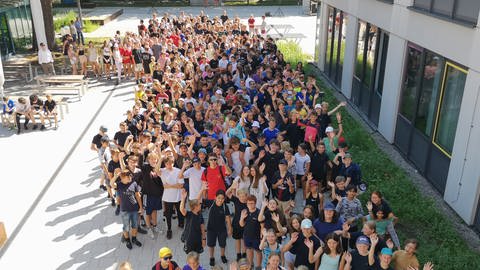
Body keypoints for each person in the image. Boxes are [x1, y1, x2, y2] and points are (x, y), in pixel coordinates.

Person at [113, 170, 143, 249]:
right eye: (127, 177)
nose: (130, 178)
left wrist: (141, 207)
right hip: (125, 210)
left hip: (135, 209)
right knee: (126, 227)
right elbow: (111, 184)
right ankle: (127, 240)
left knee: (135, 225)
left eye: (130, 176)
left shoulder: (134, 183)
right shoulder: (119, 185)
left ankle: (134, 239)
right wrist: (116, 176)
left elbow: (137, 195)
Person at [159, 155, 184, 239]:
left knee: (180, 212)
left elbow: (181, 185)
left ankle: (181, 224)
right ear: (165, 164)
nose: (169, 164)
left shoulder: (178, 171)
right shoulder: (162, 171)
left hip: (178, 197)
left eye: (171, 163)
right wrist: (160, 158)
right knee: (168, 215)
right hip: (167, 198)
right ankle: (169, 230)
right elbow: (156, 169)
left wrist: (169, 186)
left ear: (173, 162)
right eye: (167, 163)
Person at [206, 189, 232, 266]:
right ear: (215, 197)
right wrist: (202, 190)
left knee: (222, 244)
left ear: (224, 199)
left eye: (222, 198)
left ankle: (222, 256)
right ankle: (211, 257)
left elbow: (228, 218)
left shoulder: (225, 206)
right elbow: (198, 201)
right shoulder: (210, 203)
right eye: (219, 198)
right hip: (211, 229)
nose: (220, 200)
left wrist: (230, 228)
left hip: (222, 230)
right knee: (211, 245)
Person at [180, 186, 206, 254]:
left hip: (197, 239)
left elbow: (202, 227)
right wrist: (183, 199)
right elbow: (182, 209)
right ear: (195, 207)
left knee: (197, 255)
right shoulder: (189, 214)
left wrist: (204, 239)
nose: (200, 205)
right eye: (199, 205)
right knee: (190, 256)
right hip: (189, 240)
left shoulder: (200, 214)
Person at [239, 195, 262, 269]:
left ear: (255, 203)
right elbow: (241, 225)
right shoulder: (244, 211)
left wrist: (262, 237)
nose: (250, 205)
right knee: (249, 250)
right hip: (247, 236)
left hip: (257, 237)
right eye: (248, 203)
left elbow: (262, 226)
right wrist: (242, 218)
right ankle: (251, 264)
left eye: (252, 203)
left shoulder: (259, 212)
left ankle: (258, 266)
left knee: (258, 252)